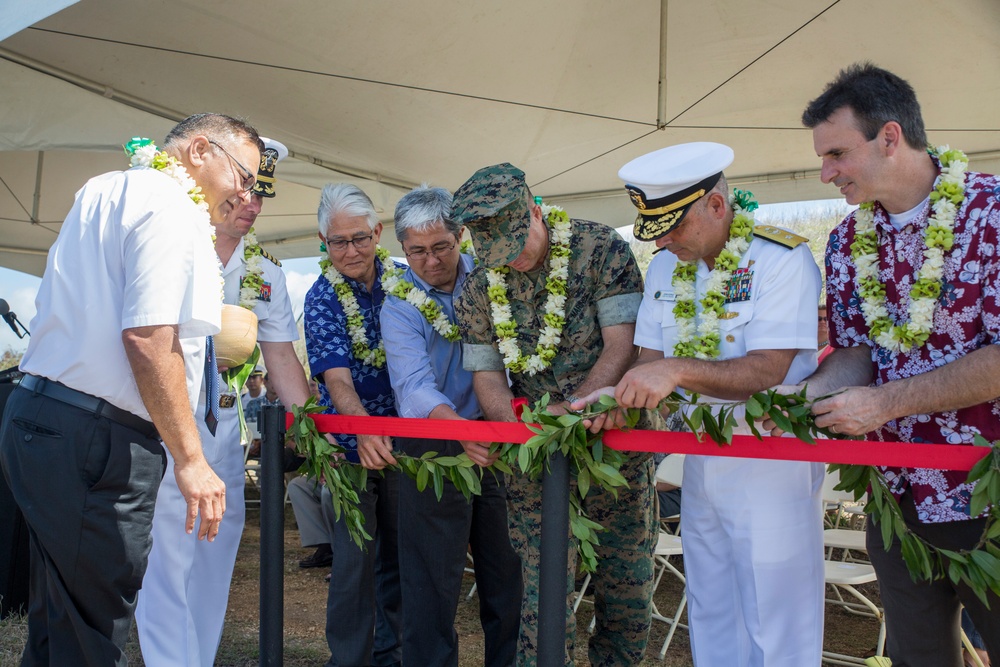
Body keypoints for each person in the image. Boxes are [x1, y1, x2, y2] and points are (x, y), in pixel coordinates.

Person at [0, 113, 258, 666]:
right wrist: (191, 459)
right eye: (244, 174)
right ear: (197, 151)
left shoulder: (103, 186)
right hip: (99, 438)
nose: (245, 192)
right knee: (91, 635)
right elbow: (147, 335)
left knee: (58, 623)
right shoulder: (170, 206)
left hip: (40, 416)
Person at [767, 62, 1000, 666]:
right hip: (897, 498)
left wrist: (886, 404)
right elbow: (855, 354)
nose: (826, 173)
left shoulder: (993, 215)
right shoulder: (847, 240)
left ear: (890, 137)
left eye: (838, 153)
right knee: (917, 656)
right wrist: (804, 396)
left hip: (989, 497)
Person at [575, 141, 826, 666]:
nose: (663, 240)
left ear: (716, 205)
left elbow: (767, 369)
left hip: (769, 455)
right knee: (712, 604)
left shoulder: (780, 257)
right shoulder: (668, 267)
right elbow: (649, 360)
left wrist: (676, 371)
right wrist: (619, 398)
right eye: (654, 229)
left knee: (774, 612)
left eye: (673, 226)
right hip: (698, 453)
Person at [452, 163, 656, 666]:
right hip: (536, 457)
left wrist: (574, 410)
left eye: (518, 242)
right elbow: (488, 376)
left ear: (537, 211)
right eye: (498, 252)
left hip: (615, 445)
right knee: (544, 587)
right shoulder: (480, 288)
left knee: (623, 582)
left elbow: (622, 346)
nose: (513, 260)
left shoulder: (600, 248)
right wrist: (518, 427)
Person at [136, 137, 312, 667]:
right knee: (166, 549)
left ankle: (198, 656)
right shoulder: (169, 242)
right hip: (160, 423)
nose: (250, 204)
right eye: (244, 190)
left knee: (216, 547)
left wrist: (314, 431)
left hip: (223, 427)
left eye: (261, 196)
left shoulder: (269, 275)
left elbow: (282, 361)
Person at [381, 185, 521, 667]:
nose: (431, 261)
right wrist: (460, 429)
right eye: (417, 251)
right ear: (402, 250)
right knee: (431, 585)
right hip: (434, 447)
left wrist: (492, 426)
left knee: (508, 577)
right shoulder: (397, 304)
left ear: (461, 235)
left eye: (441, 246)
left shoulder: (492, 277)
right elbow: (413, 387)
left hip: (499, 439)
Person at [304, 183, 404, 667]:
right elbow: (336, 378)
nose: (350, 250)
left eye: (359, 238)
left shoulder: (406, 281)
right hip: (349, 451)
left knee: (399, 564)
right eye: (337, 242)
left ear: (378, 233)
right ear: (323, 242)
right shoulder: (321, 295)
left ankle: (392, 656)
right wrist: (364, 430)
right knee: (353, 565)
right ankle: (349, 661)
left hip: (411, 448)